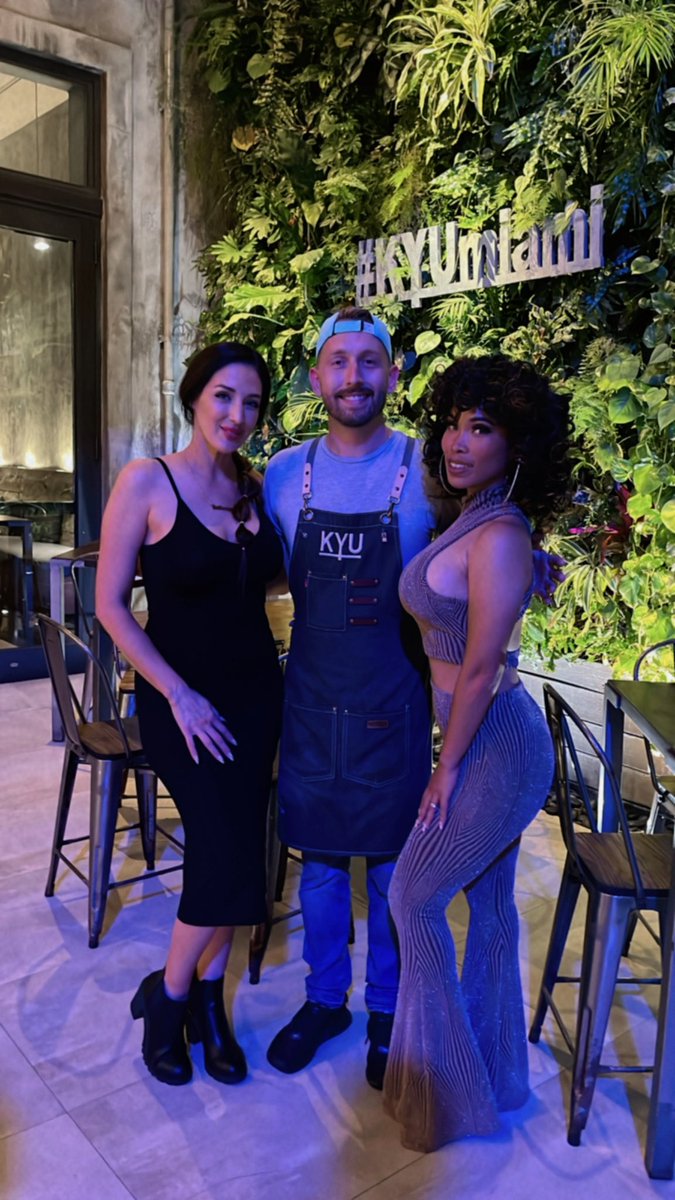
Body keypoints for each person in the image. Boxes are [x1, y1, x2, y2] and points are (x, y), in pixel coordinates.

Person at [263, 311, 561, 1089]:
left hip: (392, 700)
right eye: (337, 361)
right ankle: (323, 1001)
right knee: (320, 867)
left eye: (369, 361)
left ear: (392, 375)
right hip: (311, 699)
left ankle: (388, 1011)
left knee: (396, 868)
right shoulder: (282, 474)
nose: (353, 376)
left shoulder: (426, 473)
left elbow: (481, 544)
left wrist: (533, 559)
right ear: (317, 376)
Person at [382, 353, 571, 1152]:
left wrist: (446, 766)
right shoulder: (481, 518)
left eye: (481, 428)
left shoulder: (496, 531)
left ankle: (449, 1092)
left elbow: (484, 666)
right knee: (489, 909)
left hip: (496, 747)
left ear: (515, 443)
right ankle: (495, 1077)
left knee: (411, 898)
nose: (458, 442)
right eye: (454, 425)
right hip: (484, 739)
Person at [95, 341, 283, 1087]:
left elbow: (267, 588)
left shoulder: (255, 488)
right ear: (194, 397)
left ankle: (209, 999)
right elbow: (111, 607)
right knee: (219, 851)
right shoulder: (148, 481)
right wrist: (178, 693)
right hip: (180, 700)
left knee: (241, 847)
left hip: (254, 696)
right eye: (224, 397)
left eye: (252, 403)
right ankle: (169, 998)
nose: (237, 415)